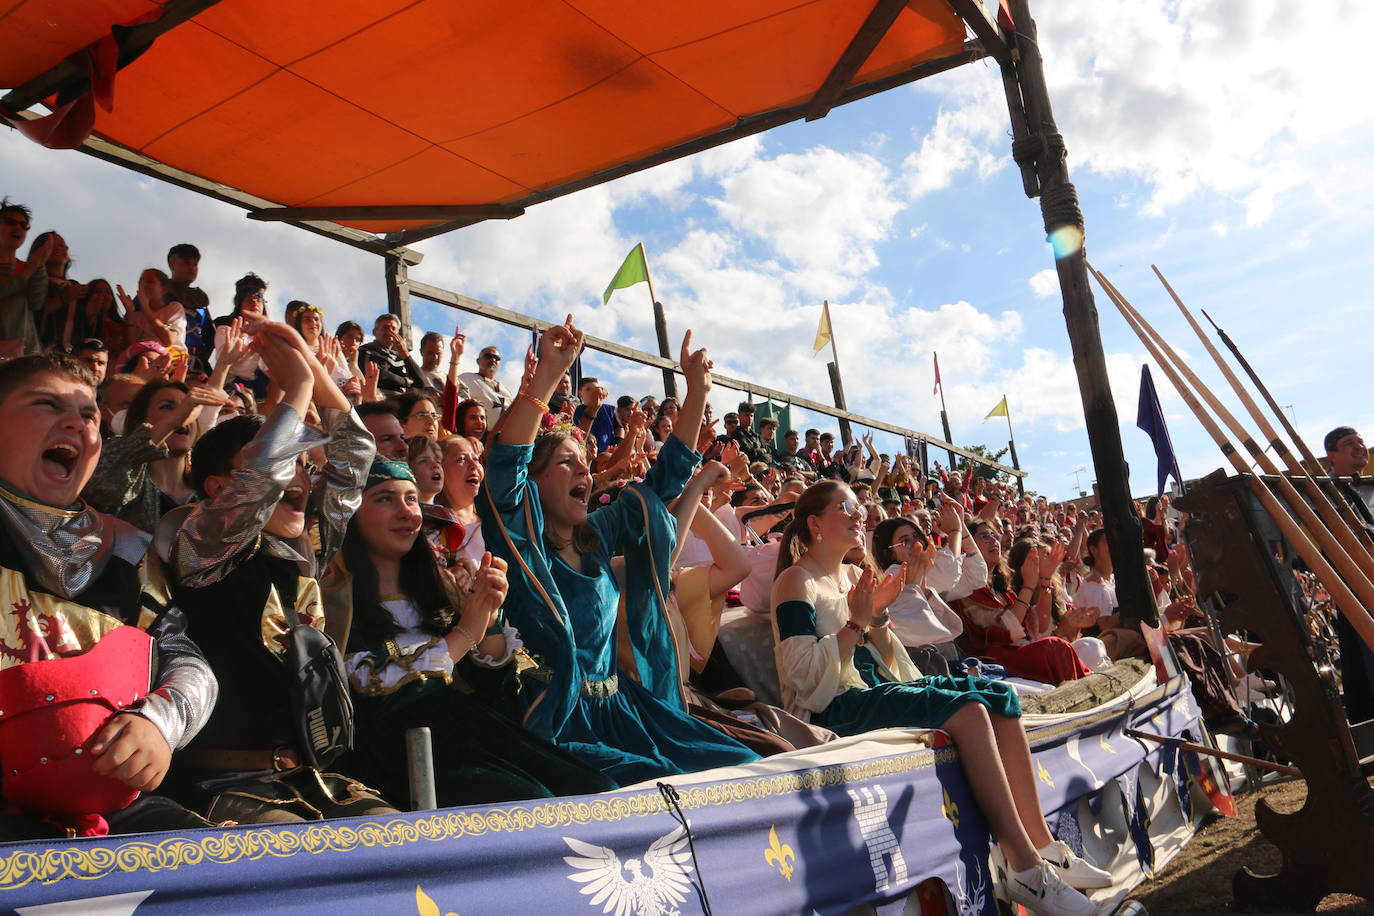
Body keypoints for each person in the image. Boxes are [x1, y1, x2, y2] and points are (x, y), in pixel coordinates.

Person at [770, 481, 1106, 916]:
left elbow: (886, 657)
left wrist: (877, 618)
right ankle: (1024, 869)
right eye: (844, 508)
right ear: (815, 523)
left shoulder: (854, 575)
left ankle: (1042, 844)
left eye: (857, 506)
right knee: (967, 710)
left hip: (876, 688)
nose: (858, 515)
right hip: (836, 705)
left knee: (998, 695)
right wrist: (856, 623)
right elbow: (802, 676)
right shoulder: (795, 581)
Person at [480, 316, 758, 783]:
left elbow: (666, 478)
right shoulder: (523, 546)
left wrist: (697, 392)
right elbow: (506, 469)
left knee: (740, 768)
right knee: (640, 787)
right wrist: (551, 372)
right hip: (559, 717)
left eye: (586, 464)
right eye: (567, 464)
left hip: (623, 708)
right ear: (536, 480)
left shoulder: (596, 537)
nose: (585, 473)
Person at [162, 321, 396, 823]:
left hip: (312, 777)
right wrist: (298, 389)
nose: (299, 477)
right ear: (217, 487)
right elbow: (264, 473)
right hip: (226, 784)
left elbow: (356, 452)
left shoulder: (307, 547)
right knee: (308, 873)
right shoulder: (203, 545)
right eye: (287, 462)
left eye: (303, 466)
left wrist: (308, 364)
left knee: (400, 849)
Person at [0, 353, 216, 839]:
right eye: (47, 405)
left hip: (110, 810)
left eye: (90, 414)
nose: (76, 423)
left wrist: (159, 722)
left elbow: (181, 656)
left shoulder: (127, 547)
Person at [329, 459, 617, 806]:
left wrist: (490, 615)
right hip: (399, 750)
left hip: (472, 732)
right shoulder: (335, 599)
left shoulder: (438, 590)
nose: (406, 512)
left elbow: (493, 691)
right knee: (528, 804)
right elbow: (375, 691)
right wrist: (467, 631)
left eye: (410, 499)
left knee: (596, 789)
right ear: (351, 514)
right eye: (385, 499)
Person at [950, 520, 1091, 685]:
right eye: (985, 536)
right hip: (991, 667)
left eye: (995, 535)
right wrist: (1029, 587)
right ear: (968, 547)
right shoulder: (965, 591)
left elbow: (1039, 630)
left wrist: (1046, 579)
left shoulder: (1004, 591)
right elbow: (1007, 630)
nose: (994, 540)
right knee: (1054, 647)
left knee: (1090, 644)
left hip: (1016, 657)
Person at [0, 201, 49, 357]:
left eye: (24, 225)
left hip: (23, 355)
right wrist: (25, 275)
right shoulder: (27, 269)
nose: (18, 228)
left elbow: (36, 303)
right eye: (10, 222)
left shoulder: (30, 266)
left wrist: (39, 267)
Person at [434, 434, 486, 570]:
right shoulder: (434, 532)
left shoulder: (493, 521)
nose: (474, 465)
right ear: (439, 471)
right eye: (461, 459)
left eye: (476, 458)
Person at [166, 244, 213, 373]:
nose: (191, 268)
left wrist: (200, 360)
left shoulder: (200, 300)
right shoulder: (158, 293)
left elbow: (209, 338)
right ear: (172, 265)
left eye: (195, 264)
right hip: (165, 361)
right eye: (186, 263)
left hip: (196, 364)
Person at [359, 313, 428, 395]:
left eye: (393, 329)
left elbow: (421, 382)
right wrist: (406, 382)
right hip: (379, 399)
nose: (390, 331)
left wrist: (405, 354)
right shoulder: (365, 351)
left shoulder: (400, 357)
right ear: (374, 332)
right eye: (385, 327)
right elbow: (378, 375)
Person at [459, 344, 515, 426]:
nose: (493, 360)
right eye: (488, 356)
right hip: (479, 434)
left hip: (506, 435)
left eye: (497, 358)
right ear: (478, 361)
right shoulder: (467, 378)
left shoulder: (505, 390)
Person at [573, 379, 618, 453]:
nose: (593, 394)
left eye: (596, 390)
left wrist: (615, 444)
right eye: (588, 390)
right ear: (580, 393)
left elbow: (619, 428)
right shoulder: (574, 411)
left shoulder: (610, 409)